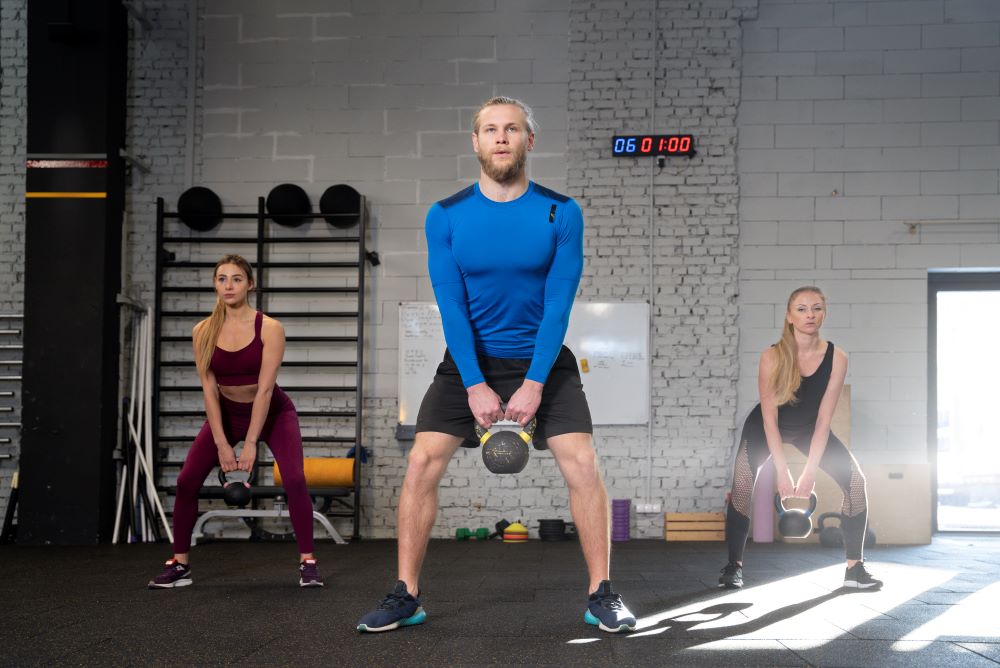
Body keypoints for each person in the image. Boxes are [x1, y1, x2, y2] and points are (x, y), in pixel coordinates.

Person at [356, 96, 636, 633]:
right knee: (420, 463)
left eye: (512, 129)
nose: (501, 137)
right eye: (490, 129)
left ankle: (603, 592)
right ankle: (406, 594)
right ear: (476, 142)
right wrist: (474, 383)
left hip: (544, 362)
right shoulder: (445, 216)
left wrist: (533, 383)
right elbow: (451, 306)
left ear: (531, 140)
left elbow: (559, 305)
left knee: (582, 463)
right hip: (469, 362)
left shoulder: (562, 212)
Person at [147, 254, 322, 589]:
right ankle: (179, 563)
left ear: (250, 284)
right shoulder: (202, 331)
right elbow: (210, 390)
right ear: (215, 284)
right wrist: (222, 444)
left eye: (237, 279)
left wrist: (252, 442)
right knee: (186, 481)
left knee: (295, 479)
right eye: (222, 278)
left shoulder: (270, 328)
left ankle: (308, 562)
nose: (229, 285)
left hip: (272, 412)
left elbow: (266, 389)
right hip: (225, 414)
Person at [719, 286, 881, 590]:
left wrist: (808, 473)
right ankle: (733, 567)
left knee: (856, 482)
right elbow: (770, 418)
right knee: (742, 483)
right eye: (802, 309)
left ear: (824, 313)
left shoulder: (837, 357)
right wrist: (783, 471)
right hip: (766, 426)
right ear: (790, 316)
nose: (810, 315)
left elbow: (823, 420)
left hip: (810, 427)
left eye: (817, 308)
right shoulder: (772, 356)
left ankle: (854, 569)